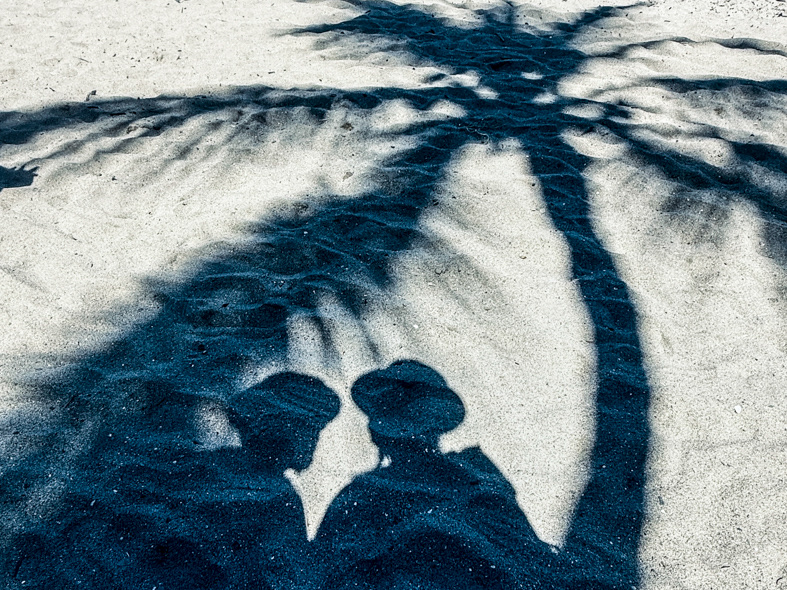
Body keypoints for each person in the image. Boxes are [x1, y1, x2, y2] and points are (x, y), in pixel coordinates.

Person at [313, 360, 554, 590]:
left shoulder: (482, 489)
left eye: (403, 414)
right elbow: (326, 569)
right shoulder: (361, 494)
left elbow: (530, 566)